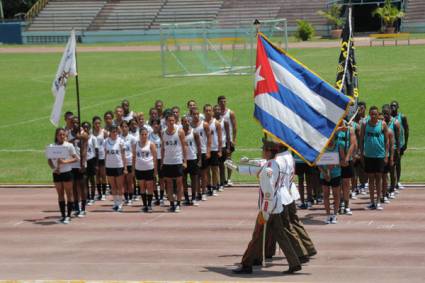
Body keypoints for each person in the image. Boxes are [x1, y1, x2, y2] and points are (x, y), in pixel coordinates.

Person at [233, 138, 301, 275]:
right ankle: (294, 263)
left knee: (257, 236)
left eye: (263, 149)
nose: (261, 151)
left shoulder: (270, 168)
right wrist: (240, 167)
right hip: (275, 207)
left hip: (269, 209)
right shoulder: (273, 163)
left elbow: (268, 192)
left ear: (269, 151)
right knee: (280, 236)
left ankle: (247, 264)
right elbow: (260, 165)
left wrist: (265, 210)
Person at [360, 106, 389, 210]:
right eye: (371, 114)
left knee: (379, 178)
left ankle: (378, 201)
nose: (373, 116)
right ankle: (372, 201)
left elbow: (387, 141)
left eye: (375, 114)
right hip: (368, 155)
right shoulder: (364, 124)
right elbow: (361, 140)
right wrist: (361, 153)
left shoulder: (383, 124)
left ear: (378, 115)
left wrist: (386, 155)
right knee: (371, 179)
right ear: (369, 114)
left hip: (380, 155)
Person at [48, 128, 78, 224]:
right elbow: (49, 160)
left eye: (63, 135)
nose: (61, 136)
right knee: (60, 194)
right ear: (56, 136)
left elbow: (76, 159)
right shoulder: (52, 146)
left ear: (65, 136)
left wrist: (65, 162)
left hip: (67, 172)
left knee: (69, 194)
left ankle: (68, 216)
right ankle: (63, 215)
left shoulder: (69, 146)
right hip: (57, 173)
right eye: (60, 135)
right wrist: (54, 168)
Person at [161, 113, 187, 213]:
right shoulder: (163, 133)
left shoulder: (179, 132)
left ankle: (178, 204)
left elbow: (184, 147)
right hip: (167, 162)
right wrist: (162, 161)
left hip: (177, 161)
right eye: (169, 121)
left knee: (179, 183)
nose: (171, 122)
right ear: (166, 122)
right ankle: (172, 203)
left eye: (173, 121)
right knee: (169, 183)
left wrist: (185, 161)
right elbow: (163, 148)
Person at [133, 127, 158, 212]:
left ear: (147, 135)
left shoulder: (151, 144)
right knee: (142, 187)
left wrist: (155, 170)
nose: (144, 136)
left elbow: (155, 158)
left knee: (149, 187)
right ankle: (144, 205)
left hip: (149, 168)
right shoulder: (136, 144)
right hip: (139, 168)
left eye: (145, 134)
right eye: (142, 134)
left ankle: (150, 205)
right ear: (139, 135)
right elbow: (134, 157)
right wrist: (133, 169)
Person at [318, 137, 341, 224]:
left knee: (336, 195)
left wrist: (335, 165)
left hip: (336, 174)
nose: (330, 140)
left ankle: (334, 215)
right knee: (326, 195)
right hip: (324, 176)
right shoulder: (321, 147)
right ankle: (328, 215)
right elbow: (318, 163)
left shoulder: (338, 145)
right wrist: (324, 173)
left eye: (331, 139)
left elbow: (342, 160)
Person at [69, 117, 88, 218]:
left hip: (81, 164)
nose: (75, 124)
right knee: (74, 187)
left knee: (82, 186)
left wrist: (83, 163)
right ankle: (76, 207)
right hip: (71, 164)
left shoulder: (83, 133)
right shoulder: (68, 133)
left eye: (77, 122)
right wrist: (75, 138)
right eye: (73, 123)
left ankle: (83, 208)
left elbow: (84, 149)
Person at [104, 126, 127, 212]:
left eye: (116, 132)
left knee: (119, 186)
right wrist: (105, 166)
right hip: (109, 166)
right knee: (113, 186)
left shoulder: (120, 141)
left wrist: (125, 167)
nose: (115, 133)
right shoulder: (105, 141)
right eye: (113, 132)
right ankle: (115, 203)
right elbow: (105, 154)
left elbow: (123, 155)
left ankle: (120, 203)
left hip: (119, 166)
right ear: (110, 132)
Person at [337, 120, 357, 215]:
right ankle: (338, 204)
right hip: (336, 161)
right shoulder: (333, 129)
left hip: (347, 160)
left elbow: (353, 144)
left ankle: (346, 205)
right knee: (337, 184)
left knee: (346, 183)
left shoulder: (350, 129)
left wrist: (346, 158)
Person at [191, 108, 211, 201]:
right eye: (194, 114)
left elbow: (209, 138)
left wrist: (208, 151)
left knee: (203, 173)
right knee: (196, 175)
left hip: (202, 151)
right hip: (193, 153)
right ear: (191, 115)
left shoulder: (204, 124)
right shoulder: (189, 125)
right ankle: (197, 192)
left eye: (197, 114)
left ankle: (203, 192)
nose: (195, 116)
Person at [182, 115, 201, 206]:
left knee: (194, 179)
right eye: (184, 121)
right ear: (181, 123)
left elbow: (199, 146)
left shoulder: (194, 132)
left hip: (193, 158)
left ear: (189, 122)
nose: (186, 123)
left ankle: (193, 197)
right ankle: (186, 197)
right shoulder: (179, 133)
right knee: (183, 180)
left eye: (187, 121)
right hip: (182, 159)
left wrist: (199, 158)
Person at [218, 95, 237, 186]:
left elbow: (234, 126)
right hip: (218, 141)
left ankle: (229, 179)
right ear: (218, 103)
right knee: (220, 161)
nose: (223, 103)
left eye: (224, 101)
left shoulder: (230, 113)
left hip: (228, 140)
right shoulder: (216, 114)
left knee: (229, 159)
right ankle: (222, 179)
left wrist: (234, 139)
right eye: (221, 102)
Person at [390, 100, 409, 190]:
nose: (393, 107)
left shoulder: (402, 117)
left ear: (398, 107)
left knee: (397, 163)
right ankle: (393, 183)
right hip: (390, 144)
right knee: (391, 164)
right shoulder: (388, 117)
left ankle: (398, 181)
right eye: (391, 106)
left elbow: (406, 130)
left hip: (399, 144)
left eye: (394, 106)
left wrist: (405, 143)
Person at [204, 104, 222, 196]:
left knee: (215, 169)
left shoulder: (216, 123)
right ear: (204, 112)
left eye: (209, 110)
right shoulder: (202, 123)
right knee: (206, 170)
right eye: (206, 110)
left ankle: (215, 186)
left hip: (214, 148)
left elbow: (219, 138)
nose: (208, 112)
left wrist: (220, 150)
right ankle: (209, 187)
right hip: (205, 149)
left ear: (212, 112)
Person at [382, 105, 398, 200]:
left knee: (392, 170)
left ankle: (392, 188)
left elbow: (397, 138)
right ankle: (386, 190)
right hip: (383, 150)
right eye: (384, 114)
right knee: (384, 172)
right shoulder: (381, 123)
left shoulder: (395, 123)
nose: (385, 116)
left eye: (387, 114)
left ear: (390, 113)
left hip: (393, 148)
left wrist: (398, 151)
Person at [214, 104, 230, 192]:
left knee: (221, 166)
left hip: (222, 146)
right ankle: (215, 183)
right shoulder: (210, 121)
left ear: (220, 111)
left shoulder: (225, 121)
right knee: (214, 167)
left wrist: (228, 147)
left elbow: (227, 135)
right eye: (215, 109)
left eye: (218, 109)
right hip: (213, 147)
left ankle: (222, 182)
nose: (217, 111)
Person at [352, 101, 368, 195]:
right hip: (355, 148)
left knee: (363, 168)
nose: (359, 110)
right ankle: (356, 186)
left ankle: (363, 184)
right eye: (358, 108)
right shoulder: (353, 120)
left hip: (365, 147)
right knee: (355, 168)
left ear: (365, 108)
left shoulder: (367, 120)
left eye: (361, 108)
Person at [120, 121, 137, 205]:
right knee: (123, 182)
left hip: (130, 161)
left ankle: (131, 197)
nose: (124, 128)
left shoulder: (132, 138)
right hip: (121, 163)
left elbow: (134, 151)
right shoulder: (119, 138)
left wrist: (134, 163)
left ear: (128, 127)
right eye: (122, 127)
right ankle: (126, 197)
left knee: (129, 181)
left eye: (126, 126)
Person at [149, 118, 165, 205]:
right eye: (154, 124)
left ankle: (162, 197)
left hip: (161, 159)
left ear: (159, 125)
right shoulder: (149, 136)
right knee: (153, 179)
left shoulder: (162, 135)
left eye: (157, 124)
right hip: (152, 160)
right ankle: (156, 197)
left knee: (162, 179)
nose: (155, 126)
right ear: (151, 126)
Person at [82, 121, 98, 206]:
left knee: (92, 180)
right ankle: (87, 196)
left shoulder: (93, 138)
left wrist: (96, 164)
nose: (85, 128)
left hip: (91, 159)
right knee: (85, 180)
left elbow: (96, 150)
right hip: (85, 161)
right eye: (84, 127)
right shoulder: (81, 137)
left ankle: (92, 197)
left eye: (87, 127)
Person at [93, 116, 108, 200]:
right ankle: (99, 193)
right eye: (96, 123)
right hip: (94, 156)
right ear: (93, 124)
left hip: (102, 155)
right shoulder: (91, 132)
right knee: (97, 176)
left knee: (103, 175)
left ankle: (104, 193)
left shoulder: (104, 132)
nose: (97, 125)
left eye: (99, 123)